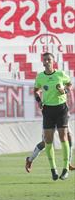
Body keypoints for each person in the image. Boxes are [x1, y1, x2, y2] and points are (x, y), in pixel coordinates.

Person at [33, 52, 72, 180]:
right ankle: (53, 170)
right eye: (45, 60)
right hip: (48, 110)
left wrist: (64, 90)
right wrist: (39, 101)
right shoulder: (40, 77)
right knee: (48, 140)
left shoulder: (60, 74)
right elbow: (36, 90)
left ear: (53, 61)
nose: (47, 61)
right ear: (43, 62)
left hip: (61, 108)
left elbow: (70, 84)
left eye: (49, 59)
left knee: (63, 137)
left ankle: (65, 169)